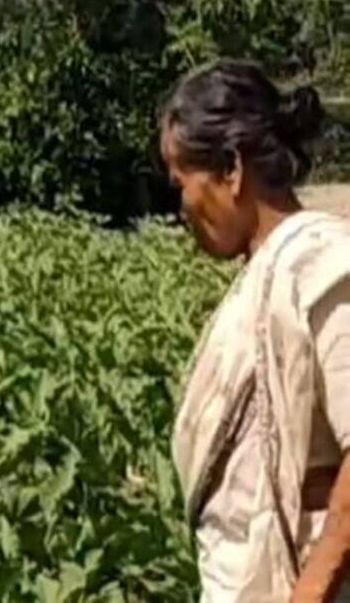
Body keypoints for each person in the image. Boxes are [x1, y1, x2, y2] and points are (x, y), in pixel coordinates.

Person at [164, 59, 350, 602]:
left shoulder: (320, 262)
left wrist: (308, 593)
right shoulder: (268, 271)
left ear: (230, 169)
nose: (182, 208)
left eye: (182, 183)